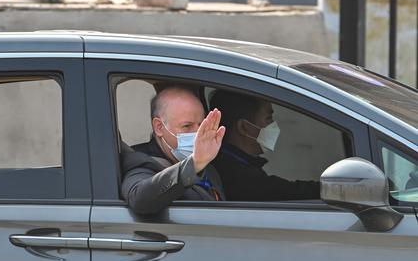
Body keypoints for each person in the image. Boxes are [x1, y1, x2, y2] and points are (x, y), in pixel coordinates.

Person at [121, 86, 226, 215]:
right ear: (159, 127)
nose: (197, 133)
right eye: (187, 126)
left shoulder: (209, 168)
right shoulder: (140, 161)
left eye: (201, 124)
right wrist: (193, 165)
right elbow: (139, 199)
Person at [209, 90, 319, 201]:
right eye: (268, 119)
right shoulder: (240, 177)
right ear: (244, 127)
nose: (274, 126)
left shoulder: (228, 163)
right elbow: (288, 191)